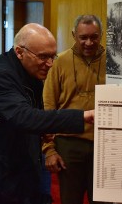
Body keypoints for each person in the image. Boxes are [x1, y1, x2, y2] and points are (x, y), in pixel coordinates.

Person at [0, 23, 94, 204]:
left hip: (26, 171)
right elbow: (25, 117)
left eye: (52, 56)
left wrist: (44, 135)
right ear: (20, 52)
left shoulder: (30, 71)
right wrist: (82, 116)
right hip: (1, 181)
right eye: (43, 57)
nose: (50, 64)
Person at [42, 15, 106, 204]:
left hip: (104, 144)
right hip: (68, 146)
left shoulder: (114, 61)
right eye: (83, 37)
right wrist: (49, 149)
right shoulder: (59, 62)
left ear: (101, 35)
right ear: (73, 35)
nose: (88, 42)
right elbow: (48, 107)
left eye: (94, 37)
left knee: (104, 200)